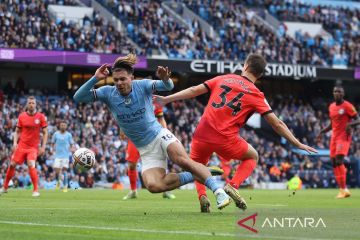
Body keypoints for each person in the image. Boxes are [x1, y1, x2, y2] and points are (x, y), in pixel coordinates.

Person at [154, 53, 317, 212]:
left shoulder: (223, 78)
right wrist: (296, 143)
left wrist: (167, 99)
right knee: (253, 156)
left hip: (202, 133)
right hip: (225, 139)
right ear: (259, 75)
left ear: (245, 66)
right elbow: (277, 123)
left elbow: (194, 90)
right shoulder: (256, 94)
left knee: (197, 167)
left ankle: (202, 196)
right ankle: (232, 186)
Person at [73, 53, 232, 209]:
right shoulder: (107, 92)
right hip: (145, 149)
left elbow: (168, 86)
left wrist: (165, 78)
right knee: (153, 186)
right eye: (116, 80)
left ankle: (218, 192)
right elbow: (78, 97)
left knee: (181, 160)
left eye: (123, 79)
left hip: (159, 135)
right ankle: (201, 172)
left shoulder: (142, 85)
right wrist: (95, 78)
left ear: (132, 78)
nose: (119, 83)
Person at [122, 100, 176, 200]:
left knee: (159, 163)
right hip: (135, 137)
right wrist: (122, 129)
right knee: (131, 164)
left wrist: (165, 133)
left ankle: (165, 190)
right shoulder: (132, 100)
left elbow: (161, 118)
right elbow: (124, 117)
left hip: (152, 137)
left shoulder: (155, 101)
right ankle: (133, 191)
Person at [0, 96, 48, 197]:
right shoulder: (22, 116)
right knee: (12, 164)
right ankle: (4, 187)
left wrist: (43, 147)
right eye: (29, 103)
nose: (31, 105)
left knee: (31, 164)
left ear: (36, 104)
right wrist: (14, 143)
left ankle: (35, 190)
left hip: (33, 147)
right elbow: (17, 131)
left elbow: (45, 133)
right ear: (27, 104)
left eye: (33, 103)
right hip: (22, 145)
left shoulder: (40, 117)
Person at [317, 86, 359, 199]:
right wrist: (322, 131)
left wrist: (350, 124)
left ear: (343, 93)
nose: (337, 93)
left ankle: (344, 188)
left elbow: (358, 119)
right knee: (334, 163)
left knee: (339, 160)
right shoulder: (331, 107)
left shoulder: (347, 106)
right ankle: (342, 189)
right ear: (333, 93)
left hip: (344, 136)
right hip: (334, 138)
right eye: (335, 91)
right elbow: (332, 124)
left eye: (339, 91)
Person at [51, 120, 75, 193]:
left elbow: (72, 145)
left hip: (65, 156)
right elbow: (52, 143)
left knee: (64, 171)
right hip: (57, 156)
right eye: (62, 125)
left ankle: (65, 186)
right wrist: (52, 149)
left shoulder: (69, 135)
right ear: (59, 126)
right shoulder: (56, 134)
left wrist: (71, 150)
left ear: (66, 126)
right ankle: (58, 181)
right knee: (57, 170)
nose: (63, 126)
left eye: (64, 125)